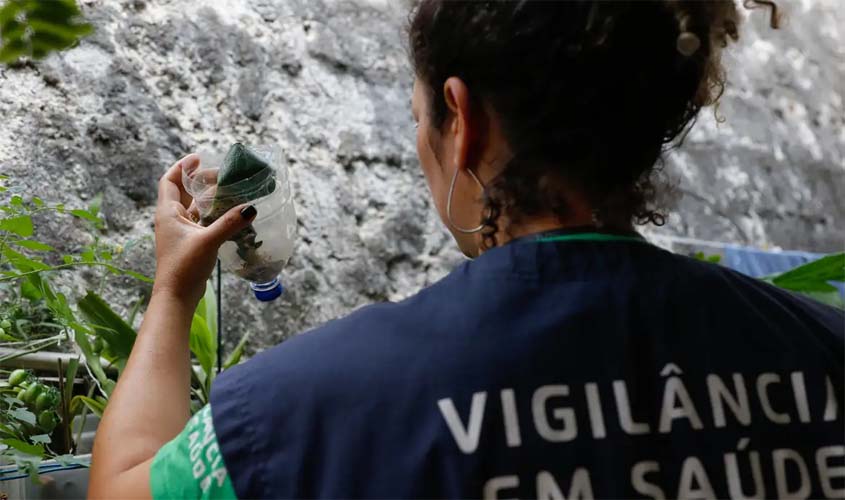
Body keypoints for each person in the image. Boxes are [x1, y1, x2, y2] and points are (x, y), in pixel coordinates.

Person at [89, 0, 844, 498]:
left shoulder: (294, 412)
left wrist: (172, 291)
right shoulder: (824, 350)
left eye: (422, 116)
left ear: (463, 120)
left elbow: (122, 485)